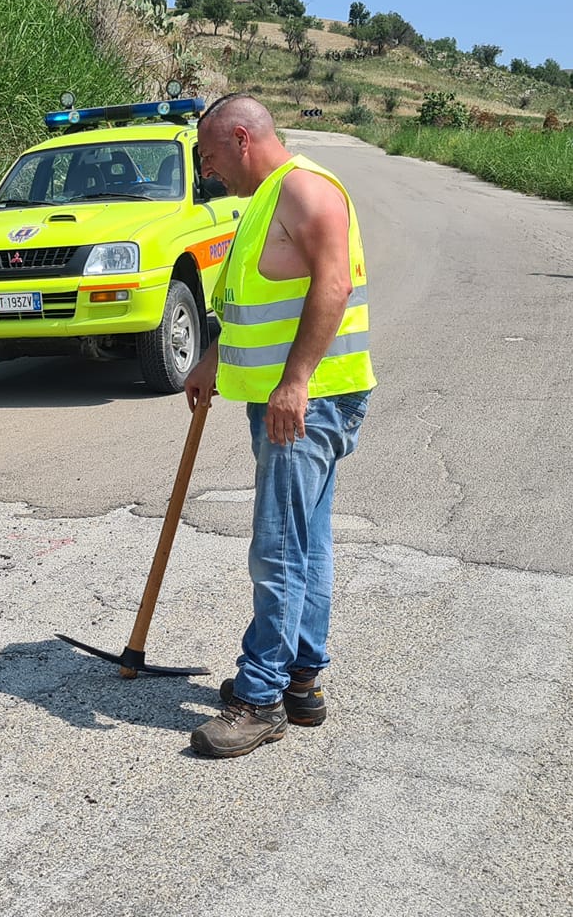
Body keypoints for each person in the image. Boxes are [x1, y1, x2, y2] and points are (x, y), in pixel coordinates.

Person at [183, 95, 374, 759]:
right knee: (306, 541)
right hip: (293, 400)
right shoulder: (267, 199)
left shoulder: (304, 190)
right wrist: (213, 359)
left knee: (278, 549)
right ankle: (300, 678)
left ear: (242, 137)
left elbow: (332, 285)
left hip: (307, 403)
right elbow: (253, 304)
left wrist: (295, 382)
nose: (207, 170)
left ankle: (259, 698)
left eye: (209, 155)